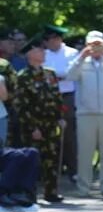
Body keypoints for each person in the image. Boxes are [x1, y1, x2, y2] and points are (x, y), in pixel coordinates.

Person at [65, 31, 103, 198]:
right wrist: (82, 57)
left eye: (99, 44)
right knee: (85, 152)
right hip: (86, 113)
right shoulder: (80, 61)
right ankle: (83, 187)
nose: (96, 48)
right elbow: (70, 76)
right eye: (93, 44)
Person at [14, 36, 64, 202]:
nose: (43, 52)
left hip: (50, 123)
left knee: (52, 157)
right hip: (34, 124)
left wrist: (60, 117)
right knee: (33, 160)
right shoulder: (23, 76)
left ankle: (51, 191)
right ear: (30, 53)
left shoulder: (50, 74)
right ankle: (30, 194)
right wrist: (32, 127)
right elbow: (21, 105)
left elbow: (57, 98)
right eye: (40, 50)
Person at [42, 24, 78, 179]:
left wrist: (54, 76)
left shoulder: (71, 53)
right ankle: (54, 169)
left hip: (66, 96)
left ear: (57, 39)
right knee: (50, 131)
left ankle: (73, 169)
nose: (48, 43)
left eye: (50, 39)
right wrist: (56, 76)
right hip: (49, 96)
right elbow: (42, 74)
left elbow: (70, 74)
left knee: (68, 133)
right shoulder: (44, 54)